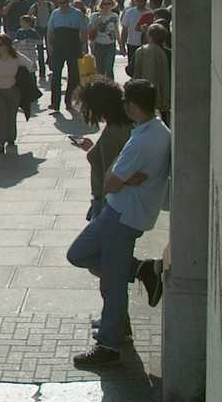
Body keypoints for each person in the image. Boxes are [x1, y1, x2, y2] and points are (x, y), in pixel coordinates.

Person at [68, 79, 170, 368]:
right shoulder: (155, 130)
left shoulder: (138, 138)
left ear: (132, 105)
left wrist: (120, 178)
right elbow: (116, 173)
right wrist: (123, 176)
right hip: (122, 211)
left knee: (110, 280)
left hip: (120, 213)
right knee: (86, 258)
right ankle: (140, 270)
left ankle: (108, 346)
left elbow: (111, 182)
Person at [72, 79, 133, 221]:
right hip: (108, 204)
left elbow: (110, 177)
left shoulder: (113, 133)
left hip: (107, 206)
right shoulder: (121, 125)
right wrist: (93, 148)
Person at [0, 34, 32, 155]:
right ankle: (0, 142)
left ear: (7, 45)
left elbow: (29, 64)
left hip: (13, 89)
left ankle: (11, 138)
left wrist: (20, 74)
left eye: (1, 45)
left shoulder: (16, 56)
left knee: (11, 115)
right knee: (0, 116)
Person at [46, 0, 87, 112]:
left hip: (73, 47)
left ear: (69, 2)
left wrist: (84, 46)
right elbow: (50, 32)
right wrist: (49, 47)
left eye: (64, 2)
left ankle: (69, 102)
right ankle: (55, 103)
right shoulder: (55, 14)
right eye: (60, 3)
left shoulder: (77, 14)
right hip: (58, 47)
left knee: (73, 76)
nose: (62, 5)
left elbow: (83, 31)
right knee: (56, 76)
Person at [133, 23, 171, 126]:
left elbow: (132, 70)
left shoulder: (141, 51)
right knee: (165, 119)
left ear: (149, 36)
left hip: (144, 92)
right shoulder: (169, 53)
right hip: (165, 93)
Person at [88, 0, 121, 79]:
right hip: (98, 44)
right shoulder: (95, 16)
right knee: (100, 69)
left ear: (112, 5)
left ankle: (111, 85)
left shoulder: (114, 16)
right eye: (104, 4)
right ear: (101, 5)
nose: (107, 6)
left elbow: (116, 30)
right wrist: (96, 24)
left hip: (110, 44)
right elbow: (89, 31)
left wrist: (121, 45)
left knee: (109, 68)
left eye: (109, 4)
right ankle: (101, 85)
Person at [120, 0, 149, 76]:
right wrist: (122, 45)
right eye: (138, 1)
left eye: (142, 0)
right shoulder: (129, 12)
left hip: (146, 44)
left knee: (144, 68)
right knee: (132, 68)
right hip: (132, 44)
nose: (140, 3)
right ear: (135, 2)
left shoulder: (150, 13)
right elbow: (124, 29)